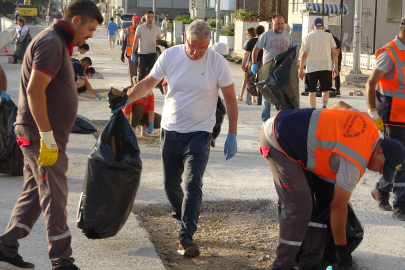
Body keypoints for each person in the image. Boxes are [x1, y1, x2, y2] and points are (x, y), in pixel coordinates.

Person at [0, 1, 103, 268]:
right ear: (77, 20)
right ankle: (62, 261)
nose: (90, 35)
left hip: (44, 134)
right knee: (55, 195)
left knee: (36, 191)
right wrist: (46, 137)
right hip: (40, 135)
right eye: (90, 28)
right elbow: (35, 91)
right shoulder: (52, 42)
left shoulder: (58, 41)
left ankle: (5, 246)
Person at [126, 20, 238, 257]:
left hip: (200, 132)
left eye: (202, 47)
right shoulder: (170, 56)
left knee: (192, 182)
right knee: (170, 185)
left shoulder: (218, 63)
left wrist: (233, 134)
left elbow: (230, 99)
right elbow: (148, 82)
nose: (197, 52)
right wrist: (127, 99)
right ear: (184, 39)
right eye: (192, 46)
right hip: (171, 130)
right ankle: (187, 212)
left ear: (209, 43)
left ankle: (185, 236)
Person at [260, 101, 405, 270]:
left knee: (321, 202)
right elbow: (338, 207)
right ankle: (281, 265)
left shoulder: (369, 124)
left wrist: (323, 132)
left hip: (292, 130)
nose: (380, 172)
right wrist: (341, 248)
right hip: (277, 140)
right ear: (379, 152)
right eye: (383, 167)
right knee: (299, 207)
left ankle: (310, 263)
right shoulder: (356, 162)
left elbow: (340, 104)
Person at [366, 15, 405, 221]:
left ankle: (381, 190)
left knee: (397, 160)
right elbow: (371, 83)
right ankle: (400, 203)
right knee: (400, 160)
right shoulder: (389, 52)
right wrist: (373, 114)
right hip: (392, 117)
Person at [252, 14, 293, 122]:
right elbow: (255, 50)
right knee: (267, 96)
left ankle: (281, 119)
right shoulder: (266, 35)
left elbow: (291, 53)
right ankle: (265, 120)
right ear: (272, 23)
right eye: (278, 23)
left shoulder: (288, 36)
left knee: (282, 96)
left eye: (282, 23)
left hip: (282, 70)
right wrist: (254, 64)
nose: (280, 26)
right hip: (268, 70)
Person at [299, 18, 338, 109]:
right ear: (323, 27)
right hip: (326, 66)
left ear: (313, 26)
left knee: (311, 91)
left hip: (311, 67)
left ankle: (312, 110)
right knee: (325, 89)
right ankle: (324, 106)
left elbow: (303, 54)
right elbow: (335, 53)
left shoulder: (308, 36)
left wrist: (301, 69)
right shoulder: (328, 36)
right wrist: (335, 66)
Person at [131, 9, 162, 82]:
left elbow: (160, 41)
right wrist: (132, 53)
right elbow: (135, 41)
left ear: (153, 17)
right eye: (148, 17)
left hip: (152, 54)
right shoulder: (140, 27)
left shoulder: (156, 28)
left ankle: (149, 92)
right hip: (142, 54)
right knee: (142, 74)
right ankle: (140, 91)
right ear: (145, 17)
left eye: (151, 17)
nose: (150, 18)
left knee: (151, 75)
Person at [244, 25, 265, 106]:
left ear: (255, 32)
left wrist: (243, 64)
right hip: (263, 62)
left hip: (252, 62)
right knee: (261, 81)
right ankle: (260, 99)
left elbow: (246, 53)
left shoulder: (251, 41)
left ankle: (250, 92)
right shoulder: (265, 41)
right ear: (263, 32)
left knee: (250, 79)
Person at [121, 14, 141, 86]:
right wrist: (122, 53)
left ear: (140, 22)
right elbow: (124, 42)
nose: (136, 24)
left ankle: (141, 90)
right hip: (131, 56)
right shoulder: (128, 30)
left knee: (142, 74)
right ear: (132, 22)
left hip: (141, 55)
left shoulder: (143, 29)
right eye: (135, 22)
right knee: (132, 75)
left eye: (138, 22)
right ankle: (133, 88)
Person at [238, 27, 256, 103]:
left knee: (246, 79)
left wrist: (243, 63)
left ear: (250, 34)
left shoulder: (248, 42)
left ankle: (241, 95)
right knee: (254, 80)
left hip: (249, 62)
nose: (246, 35)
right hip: (256, 62)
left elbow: (246, 53)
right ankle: (253, 98)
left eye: (247, 33)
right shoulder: (258, 41)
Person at [324, 29, 342, 96]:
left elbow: (337, 53)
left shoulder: (335, 40)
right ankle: (329, 88)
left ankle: (337, 89)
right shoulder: (324, 40)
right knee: (327, 73)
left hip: (336, 57)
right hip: (328, 58)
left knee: (336, 73)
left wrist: (334, 63)